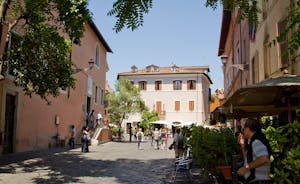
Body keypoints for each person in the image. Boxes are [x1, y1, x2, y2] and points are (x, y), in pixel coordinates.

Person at [237, 118, 272, 184]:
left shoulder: (257, 141)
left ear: (247, 128)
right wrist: (243, 147)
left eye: (243, 129)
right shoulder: (253, 141)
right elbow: (248, 161)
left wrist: (245, 168)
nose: (242, 132)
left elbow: (264, 159)